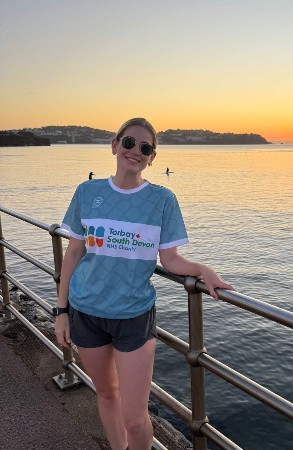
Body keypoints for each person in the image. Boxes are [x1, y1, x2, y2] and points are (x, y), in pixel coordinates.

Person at [54, 117, 233, 450]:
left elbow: (171, 260)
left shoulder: (162, 200)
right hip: (85, 311)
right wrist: (61, 311)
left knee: (135, 418)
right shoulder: (87, 192)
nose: (135, 151)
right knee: (106, 395)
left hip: (133, 316)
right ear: (114, 145)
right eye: (129, 142)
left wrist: (202, 269)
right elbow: (74, 253)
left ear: (152, 158)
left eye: (145, 147)